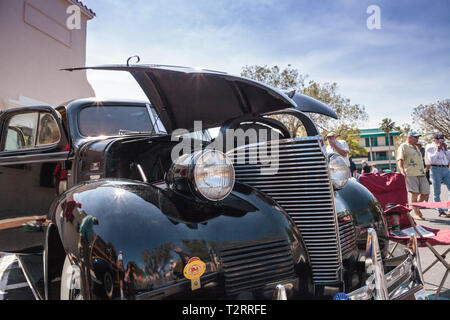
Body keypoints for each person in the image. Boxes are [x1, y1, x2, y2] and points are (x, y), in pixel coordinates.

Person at [396, 131, 430, 220]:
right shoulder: (403, 146)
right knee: (414, 193)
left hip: (421, 173)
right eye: (416, 137)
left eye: (418, 137)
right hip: (410, 173)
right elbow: (400, 159)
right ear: (409, 137)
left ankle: (416, 207)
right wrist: (402, 170)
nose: (417, 139)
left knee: (425, 193)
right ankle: (416, 213)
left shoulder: (416, 147)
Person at [425, 134, 450, 218]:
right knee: (437, 192)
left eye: (442, 140)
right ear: (434, 140)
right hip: (435, 169)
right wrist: (438, 150)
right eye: (439, 140)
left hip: (446, 169)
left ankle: (449, 209)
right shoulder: (430, 147)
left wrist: (446, 150)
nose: (441, 142)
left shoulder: (444, 147)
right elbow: (432, 160)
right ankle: (440, 211)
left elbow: (449, 158)